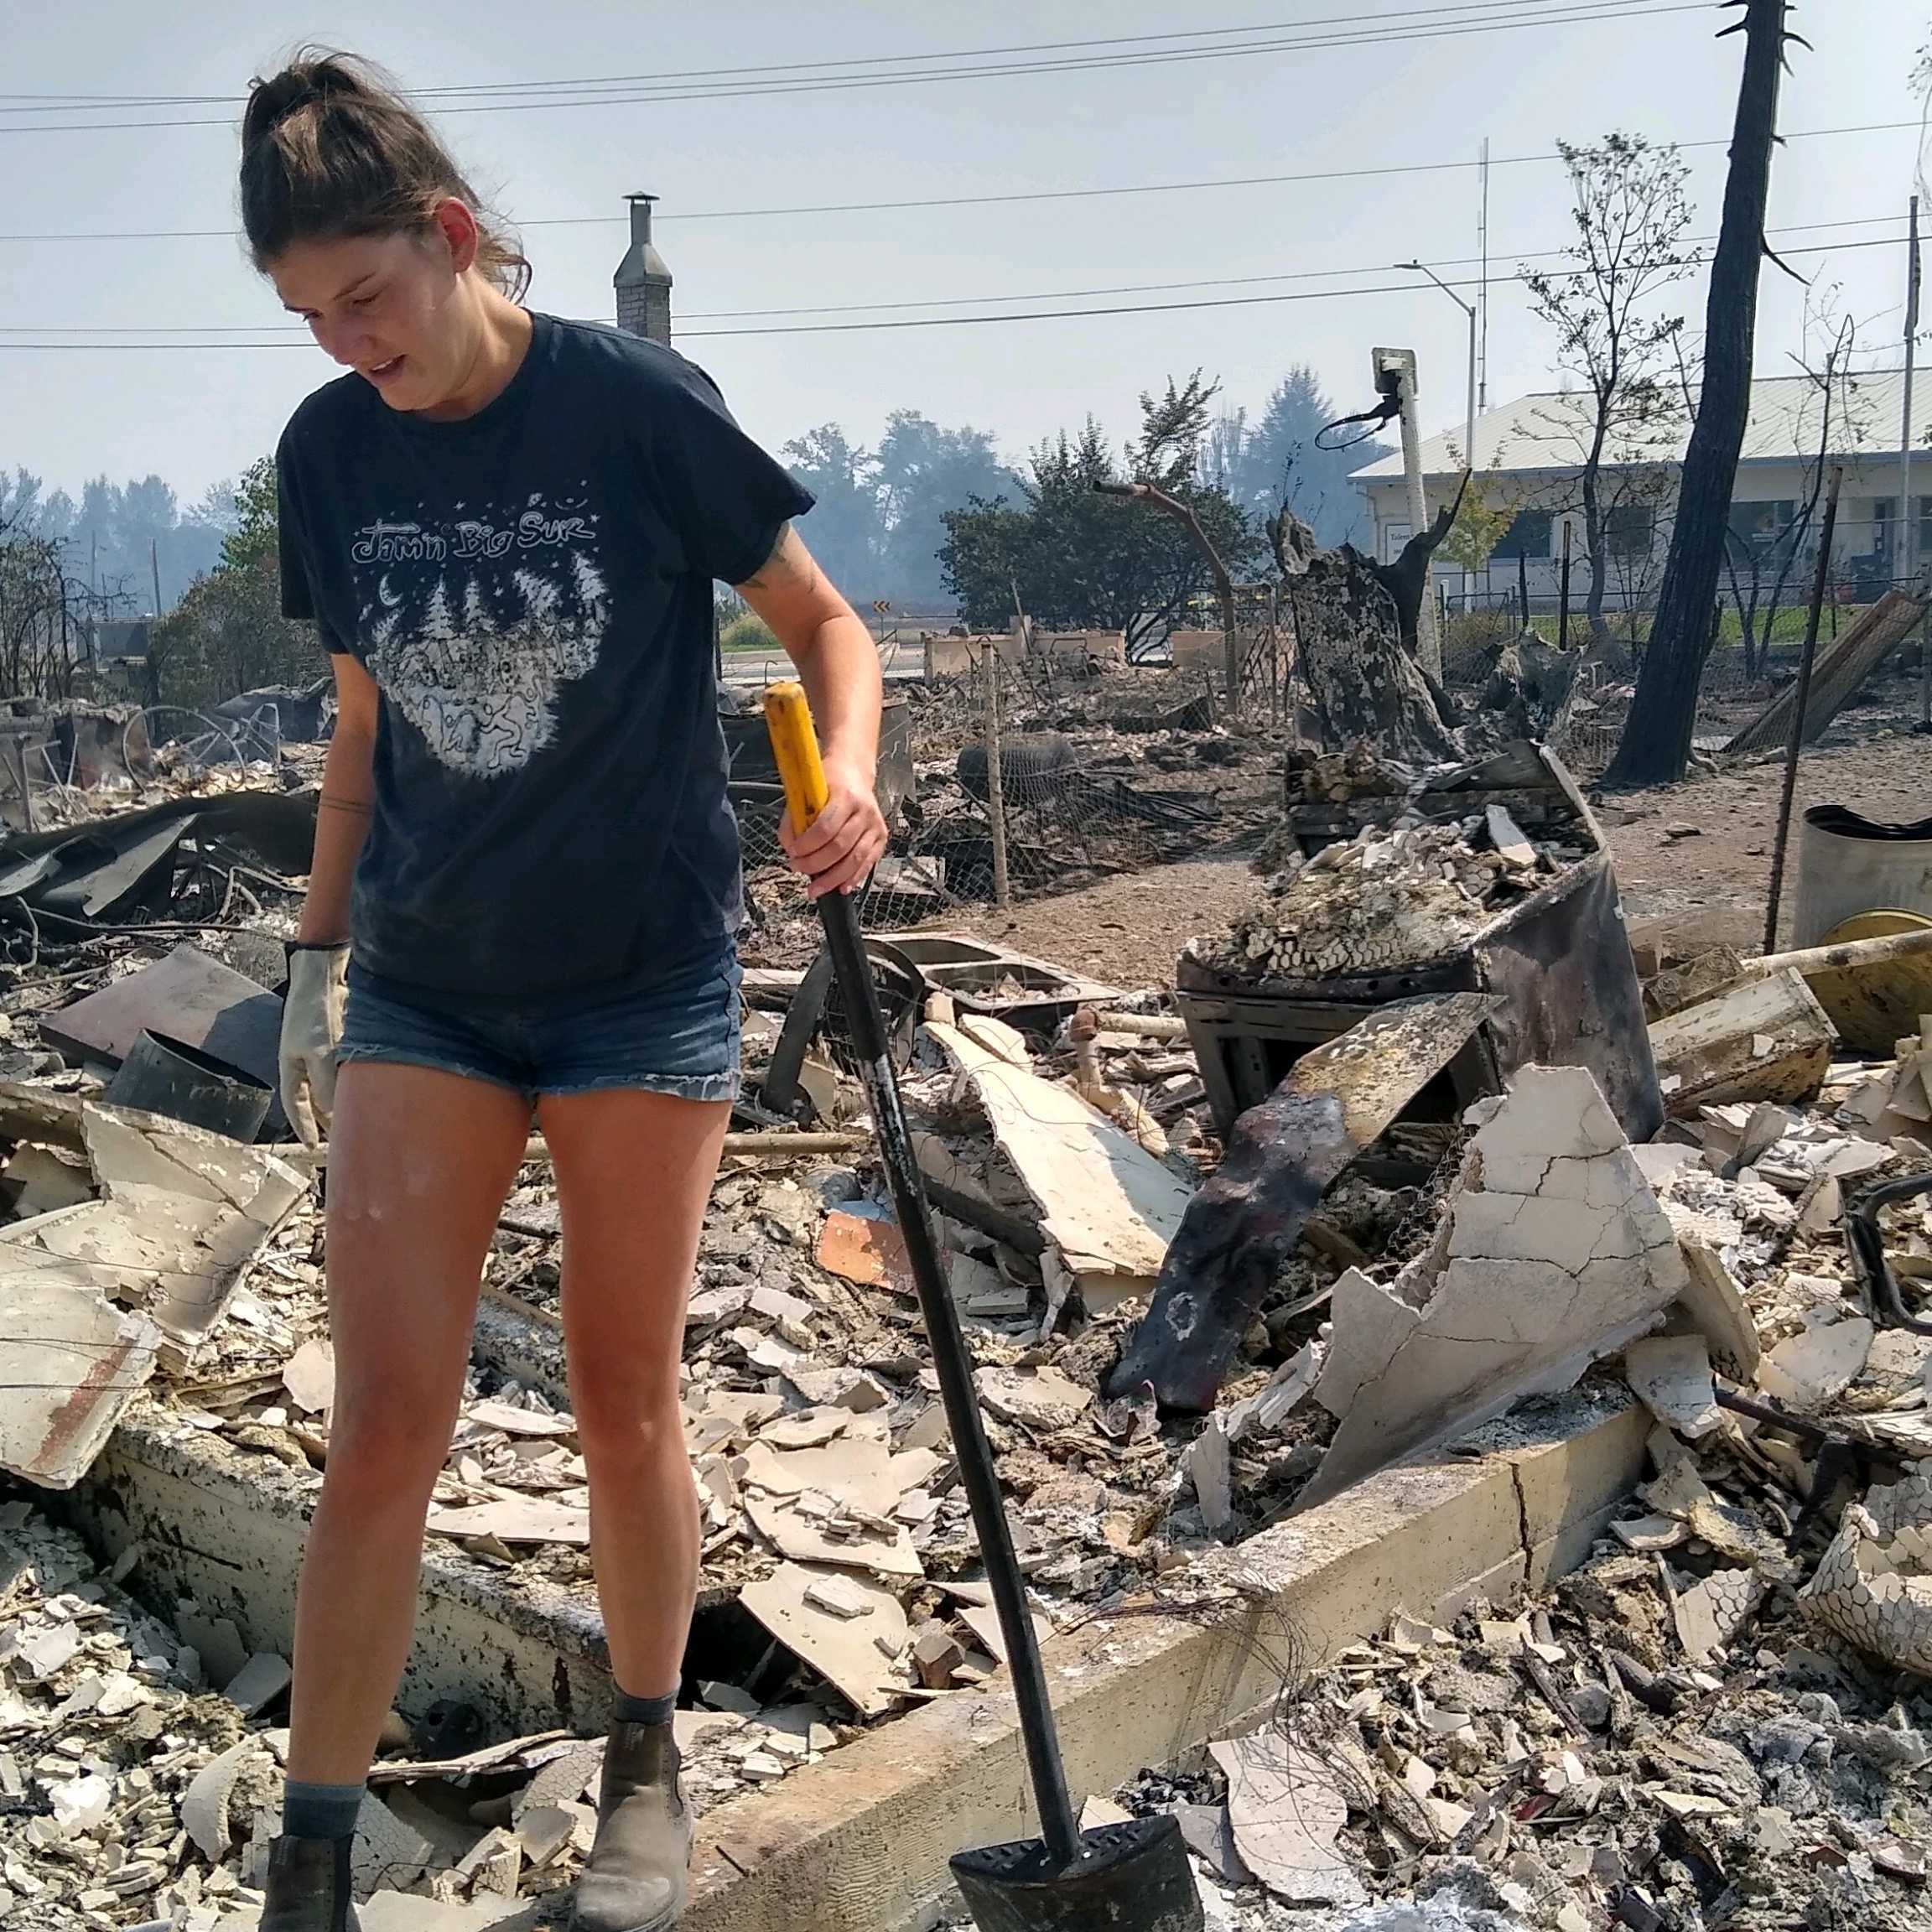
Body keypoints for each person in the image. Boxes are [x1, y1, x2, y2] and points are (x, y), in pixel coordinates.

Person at [243, 50, 886, 1932]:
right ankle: (310, 1864)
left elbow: (822, 622)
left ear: (452, 236)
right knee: (386, 1425)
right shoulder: (330, 454)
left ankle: (647, 1773)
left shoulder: (632, 406)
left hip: (640, 983)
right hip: (429, 986)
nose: (348, 342)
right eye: (308, 315)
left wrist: (849, 780)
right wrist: (314, 958)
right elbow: (361, 728)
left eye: (367, 294)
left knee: (621, 1396)